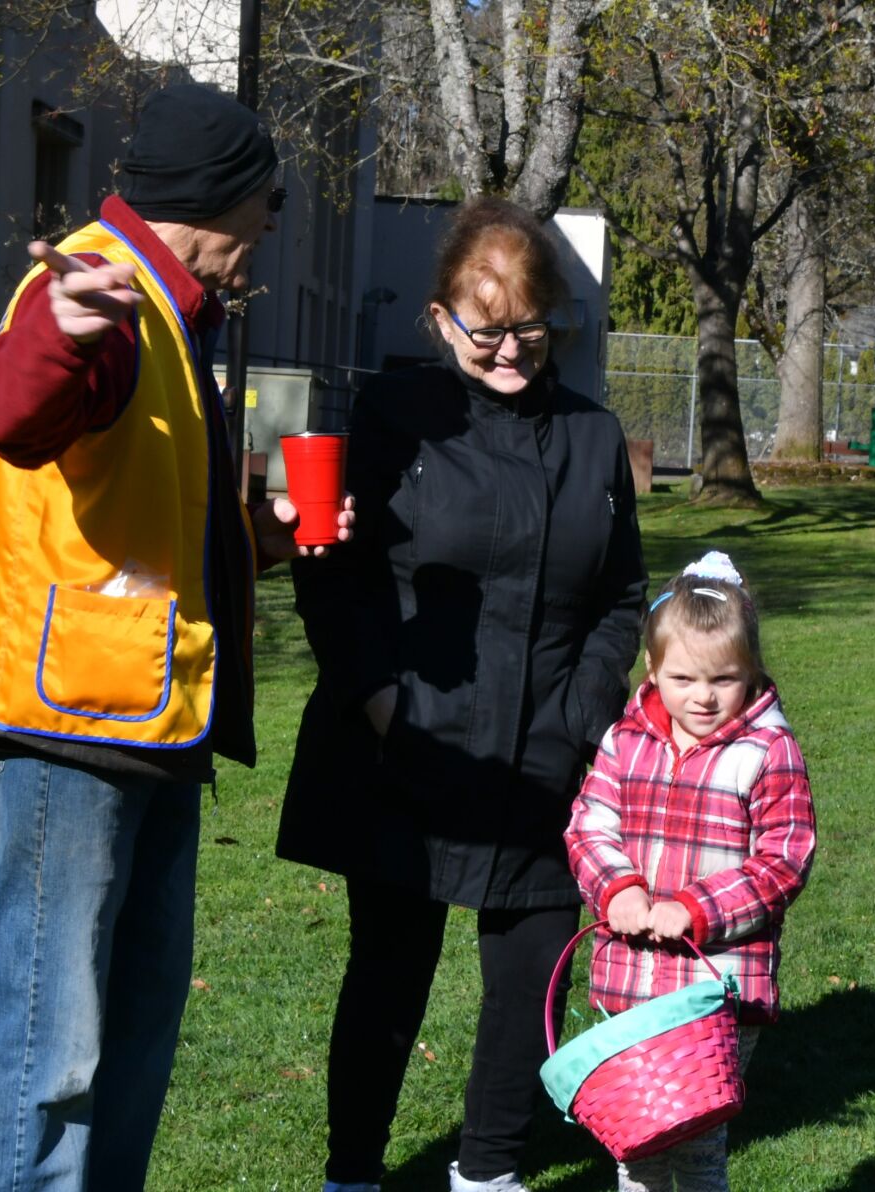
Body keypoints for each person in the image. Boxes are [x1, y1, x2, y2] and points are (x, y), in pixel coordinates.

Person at [0, 83, 352, 1192]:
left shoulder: (168, 311)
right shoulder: (97, 294)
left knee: (136, 1029)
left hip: (144, 719)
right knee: (48, 1038)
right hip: (65, 728)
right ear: (221, 204)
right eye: (269, 209)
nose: (266, 238)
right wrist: (59, 330)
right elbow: (12, 413)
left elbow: (146, 519)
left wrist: (269, 535)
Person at [278, 196, 648, 1192]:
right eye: (487, 330)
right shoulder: (395, 419)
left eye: (532, 327)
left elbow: (621, 595)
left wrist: (580, 717)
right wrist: (381, 704)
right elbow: (332, 571)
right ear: (441, 319)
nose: (514, 351)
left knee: (531, 985)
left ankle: (488, 1174)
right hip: (406, 749)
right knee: (389, 974)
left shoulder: (591, 435)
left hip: (546, 760)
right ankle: (352, 1171)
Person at [564, 551, 817, 1192]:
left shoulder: (767, 749)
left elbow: (783, 859)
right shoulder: (626, 739)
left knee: (698, 1149)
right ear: (652, 669)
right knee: (637, 1142)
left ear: (751, 671)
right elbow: (588, 825)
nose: (702, 697)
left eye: (723, 679)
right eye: (682, 679)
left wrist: (698, 908)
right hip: (630, 983)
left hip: (717, 992)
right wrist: (616, 886)